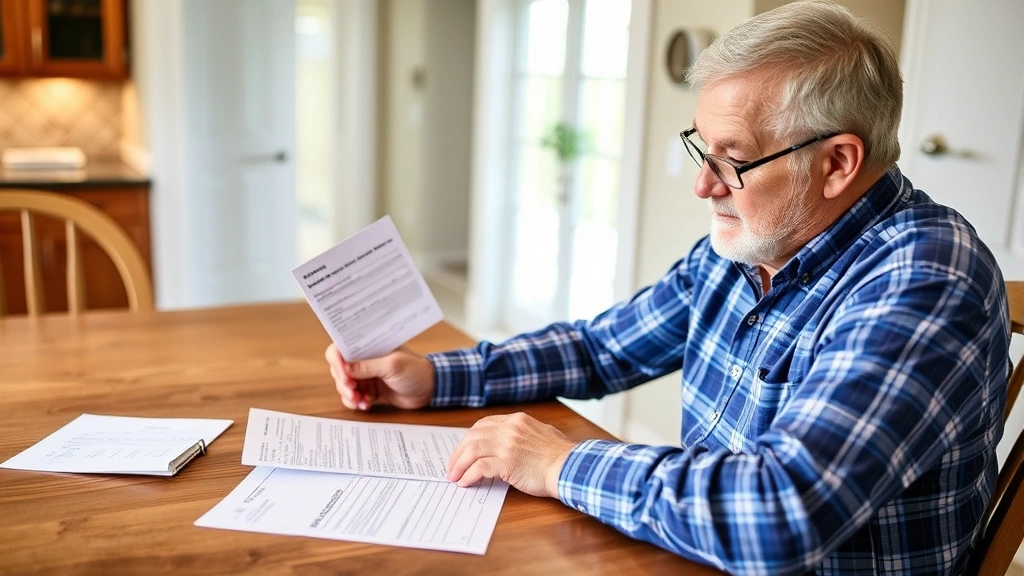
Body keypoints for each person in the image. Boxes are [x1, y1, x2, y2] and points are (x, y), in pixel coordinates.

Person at [325, 1, 1010, 573]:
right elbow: (601, 349)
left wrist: (561, 463)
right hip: (696, 553)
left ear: (837, 164)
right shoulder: (754, 243)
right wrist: (434, 377)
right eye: (701, 148)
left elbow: (779, 512)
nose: (703, 185)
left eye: (733, 160)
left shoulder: (926, 278)